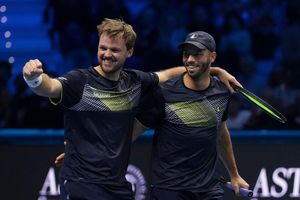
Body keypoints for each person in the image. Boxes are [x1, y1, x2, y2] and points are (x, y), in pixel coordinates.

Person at [23, 18, 239, 200]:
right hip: (82, 182)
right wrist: (33, 79)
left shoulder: (135, 81)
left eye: (114, 50)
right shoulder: (78, 81)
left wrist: (215, 71)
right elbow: (50, 87)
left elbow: (165, 75)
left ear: (129, 52)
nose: (107, 54)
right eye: (103, 48)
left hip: (117, 186)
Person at [134, 31, 249, 200]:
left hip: (209, 189)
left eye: (197, 54)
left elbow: (221, 132)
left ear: (212, 56)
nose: (190, 59)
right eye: (186, 54)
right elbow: (134, 130)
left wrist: (234, 174)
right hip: (169, 189)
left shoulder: (221, 92)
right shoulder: (163, 93)